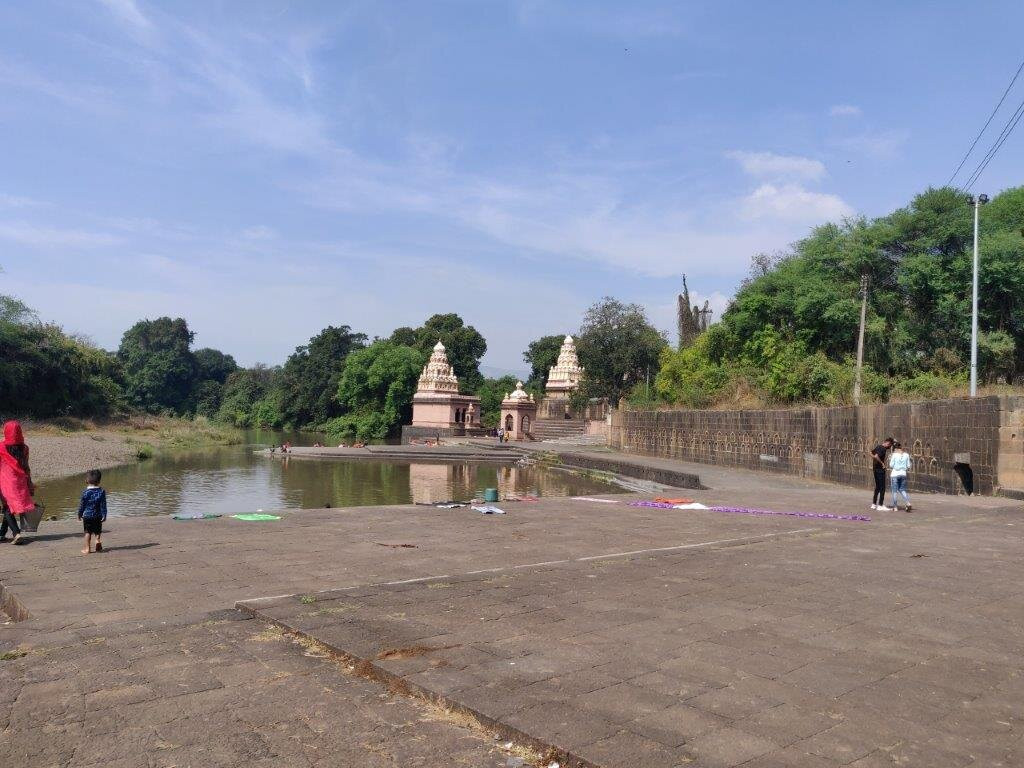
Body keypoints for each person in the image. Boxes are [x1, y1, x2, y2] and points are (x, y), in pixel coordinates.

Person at [0, 420, 36, 545]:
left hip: (5, 482)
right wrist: (30, 483)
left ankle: (16, 533)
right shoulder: (25, 448)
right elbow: (27, 467)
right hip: (21, 482)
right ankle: (2, 533)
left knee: (6, 508)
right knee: (9, 507)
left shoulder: (1, 447)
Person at [77, 469, 108, 554]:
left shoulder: (85, 492)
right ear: (99, 481)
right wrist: (104, 514)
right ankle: (97, 540)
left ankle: (87, 549)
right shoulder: (102, 491)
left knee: (88, 532)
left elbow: (82, 505)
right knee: (97, 531)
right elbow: (103, 505)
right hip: (98, 515)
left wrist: (79, 514)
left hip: (87, 516)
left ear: (86, 480)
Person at [869, 437, 893, 511]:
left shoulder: (878, 446)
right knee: (882, 488)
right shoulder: (883, 449)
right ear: (888, 443)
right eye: (890, 445)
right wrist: (882, 463)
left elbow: (870, 453)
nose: (890, 447)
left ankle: (873, 504)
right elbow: (876, 456)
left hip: (875, 469)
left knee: (877, 487)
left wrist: (875, 458)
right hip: (880, 470)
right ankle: (880, 505)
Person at [888, 443, 913, 512]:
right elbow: (908, 466)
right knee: (902, 489)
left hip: (895, 474)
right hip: (903, 474)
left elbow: (891, 465)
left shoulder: (894, 455)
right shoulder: (906, 455)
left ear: (895, 449)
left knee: (894, 491)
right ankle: (908, 503)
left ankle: (895, 507)